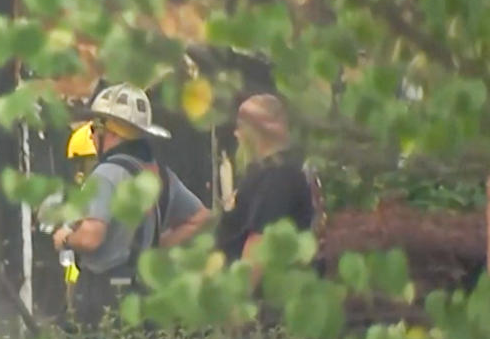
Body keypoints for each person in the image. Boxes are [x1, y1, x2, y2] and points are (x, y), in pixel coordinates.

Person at [52, 84, 210, 326]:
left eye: (95, 128)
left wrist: (64, 238)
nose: (92, 136)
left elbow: (91, 238)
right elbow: (201, 218)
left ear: (111, 133)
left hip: (103, 298)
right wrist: (156, 246)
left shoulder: (105, 175)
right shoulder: (162, 175)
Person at [215, 94, 315, 286]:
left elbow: (259, 245)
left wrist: (237, 303)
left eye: (242, 126)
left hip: (264, 305)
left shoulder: (277, 176)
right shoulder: (267, 173)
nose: (237, 134)